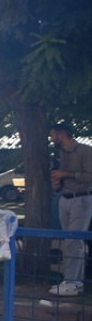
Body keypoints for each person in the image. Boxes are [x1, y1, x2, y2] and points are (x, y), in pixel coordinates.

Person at [49, 122, 92, 296]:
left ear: (61, 134)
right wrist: (57, 183)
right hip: (64, 198)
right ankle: (72, 280)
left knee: (75, 239)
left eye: (53, 134)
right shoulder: (60, 154)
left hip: (81, 197)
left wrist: (66, 174)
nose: (51, 138)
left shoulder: (85, 151)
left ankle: (73, 281)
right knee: (69, 240)